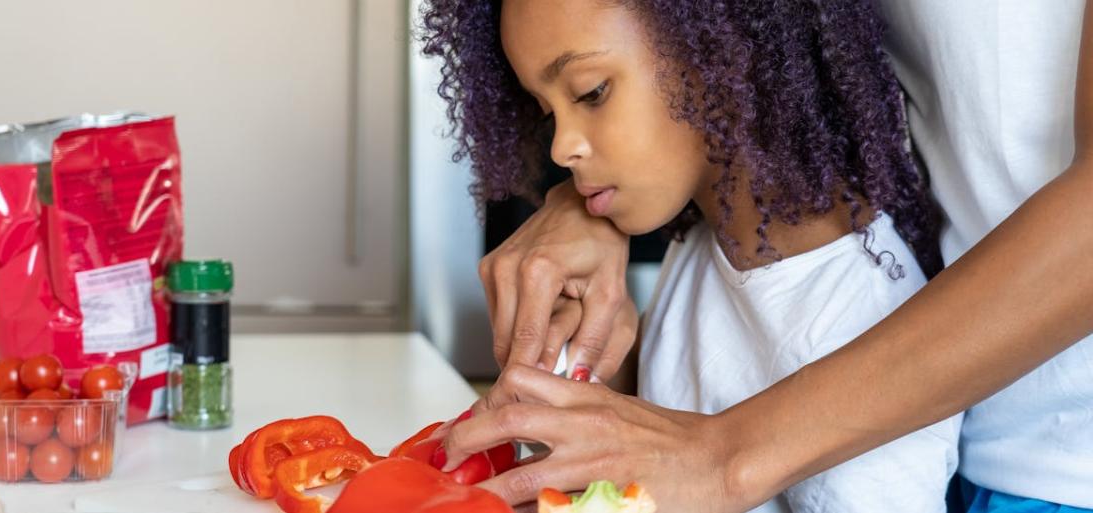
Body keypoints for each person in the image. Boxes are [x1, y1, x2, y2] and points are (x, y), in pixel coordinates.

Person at [419, 0, 1093, 511]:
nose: (560, 148)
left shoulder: (844, 304)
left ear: (722, 51)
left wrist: (725, 457)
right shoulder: (701, 267)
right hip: (973, 423)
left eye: (592, 92)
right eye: (547, 114)